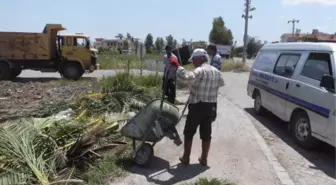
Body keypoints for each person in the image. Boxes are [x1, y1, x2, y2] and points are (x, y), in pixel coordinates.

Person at [169, 48, 225, 166]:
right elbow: (221, 83)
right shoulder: (216, 72)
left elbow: (187, 77)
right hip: (210, 106)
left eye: (194, 59)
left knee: (189, 133)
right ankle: (204, 158)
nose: (193, 62)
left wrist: (178, 66)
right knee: (206, 133)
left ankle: (186, 157)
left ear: (199, 58)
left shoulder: (200, 70)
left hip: (197, 106)